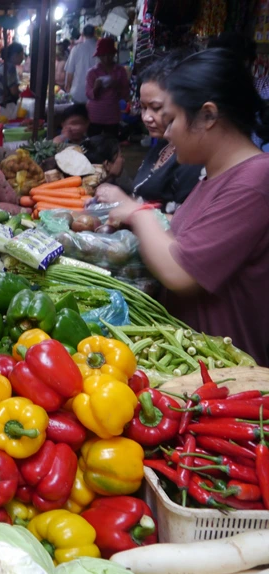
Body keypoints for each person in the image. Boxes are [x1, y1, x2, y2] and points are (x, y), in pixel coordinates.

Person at [108, 49, 269, 366]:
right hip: (193, 361)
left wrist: (137, 214)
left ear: (208, 116)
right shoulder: (214, 174)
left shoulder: (255, 181)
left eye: (172, 120)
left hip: (229, 375)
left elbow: (180, 272)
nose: (166, 133)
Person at [95, 52, 202, 213]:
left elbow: (184, 226)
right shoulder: (162, 145)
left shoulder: (193, 160)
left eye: (156, 108)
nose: (146, 117)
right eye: (144, 108)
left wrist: (126, 204)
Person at [85, 37, 129, 137]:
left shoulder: (120, 70)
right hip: (95, 115)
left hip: (112, 114)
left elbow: (125, 94)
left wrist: (116, 85)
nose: (106, 58)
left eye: (109, 54)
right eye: (103, 55)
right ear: (99, 56)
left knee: (111, 143)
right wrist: (96, 87)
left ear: (113, 54)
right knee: (93, 143)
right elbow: (89, 94)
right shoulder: (92, 72)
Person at [65, 24, 97, 104]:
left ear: (82, 34)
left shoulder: (76, 49)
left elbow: (70, 71)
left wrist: (68, 86)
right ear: (94, 34)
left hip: (78, 93)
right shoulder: (99, 49)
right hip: (96, 94)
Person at [0, 43, 24, 108]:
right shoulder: (10, 67)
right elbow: (14, 92)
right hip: (1, 104)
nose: (23, 58)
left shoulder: (3, 65)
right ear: (15, 56)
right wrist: (24, 95)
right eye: (22, 55)